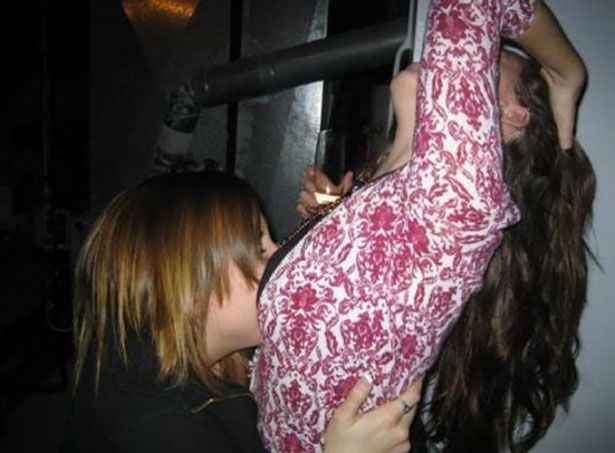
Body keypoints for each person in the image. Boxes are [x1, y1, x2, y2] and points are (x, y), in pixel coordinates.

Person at [251, 0, 594, 452]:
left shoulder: (455, 200)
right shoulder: (412, 196)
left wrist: (566, 71)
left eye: (485, 59)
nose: (450, 57)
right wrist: (328, 219)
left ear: (513, 115)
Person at [62, 171, 423, 453]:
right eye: (259, 250)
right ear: (189, 287)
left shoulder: (210, 352)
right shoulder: (156, 430)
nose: (283, 258)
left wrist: (332, 213)